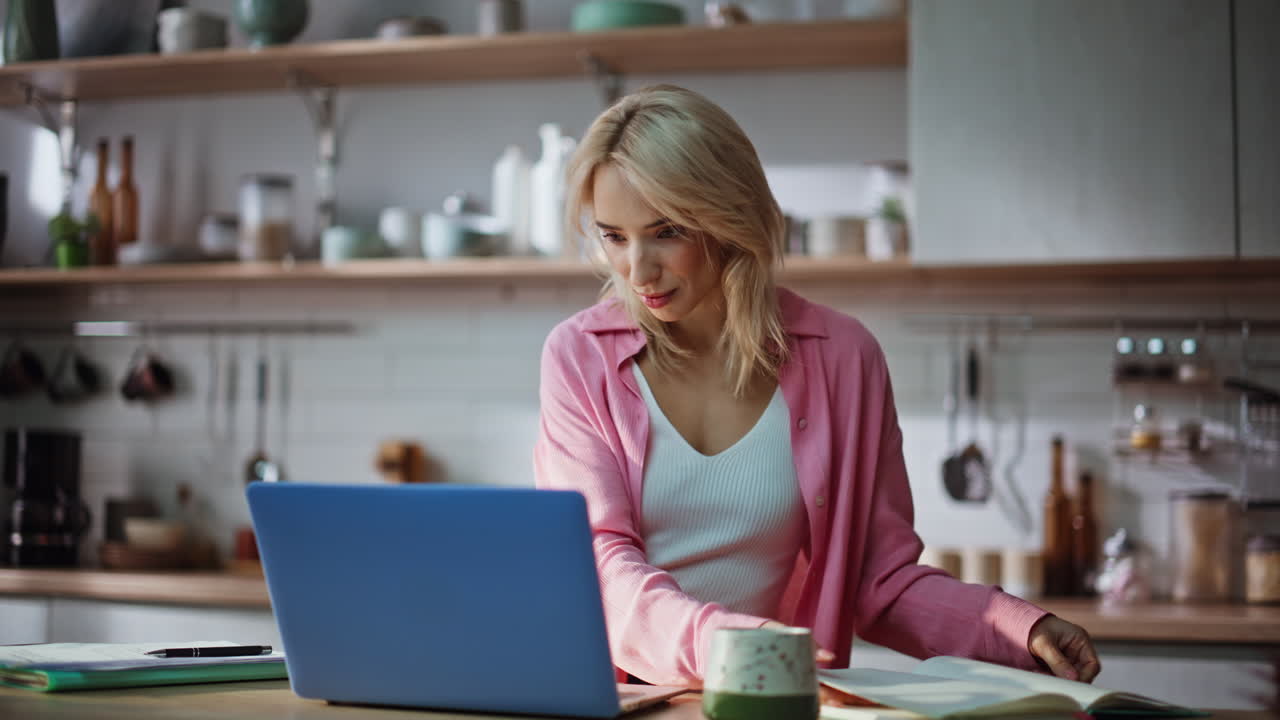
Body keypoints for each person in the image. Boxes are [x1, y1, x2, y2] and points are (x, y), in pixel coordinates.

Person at [533, 84, 1100, 689]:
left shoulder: (845, 359)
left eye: (666, 231)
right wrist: (731, 644)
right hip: (614, 700)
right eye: (614, 237)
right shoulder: (579, 358)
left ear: (728, 218)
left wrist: (1018, 628)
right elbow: (599, 568)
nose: (637, 270)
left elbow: (878, 581)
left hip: (771, 702)